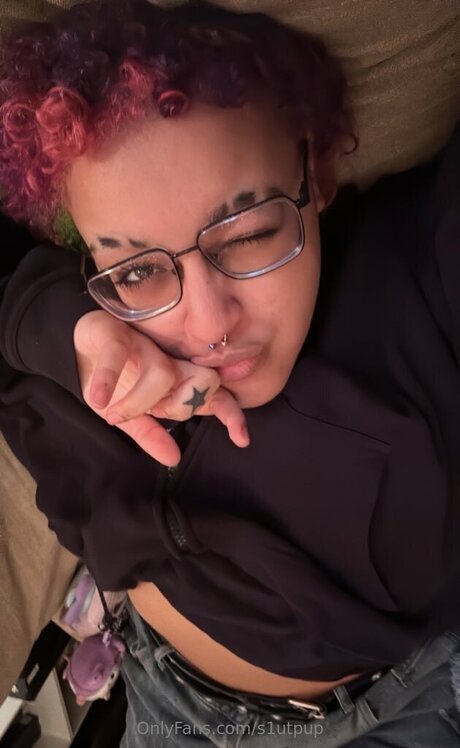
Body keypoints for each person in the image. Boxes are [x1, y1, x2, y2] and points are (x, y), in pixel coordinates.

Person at [0, 0, 460, 745]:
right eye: (138, 269)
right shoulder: (74, 332)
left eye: (249, 234)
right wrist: (64, 331)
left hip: (394, 713)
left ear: (316, 173)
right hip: (158, 694)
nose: (211, 326)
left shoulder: (418, 286)